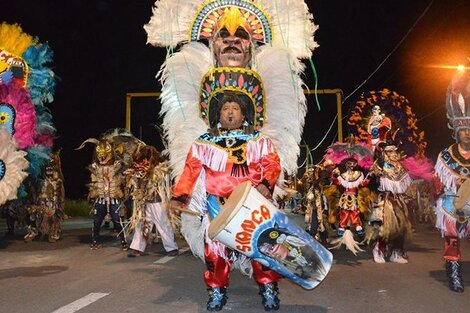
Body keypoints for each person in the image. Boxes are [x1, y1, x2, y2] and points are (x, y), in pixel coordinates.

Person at [170, 92, 283, 311]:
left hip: (252, 204)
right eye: (225, 108)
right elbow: (190, 171)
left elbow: (272, 164)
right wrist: (178, 197)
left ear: (244, 114)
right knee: (215, 253)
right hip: (217, 206)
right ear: (217, 114)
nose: (230, 112)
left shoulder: (258, 140)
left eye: (235, 108)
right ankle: (216, 292)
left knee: (262, 248)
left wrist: (266, 184)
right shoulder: (204, 142)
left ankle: (269, 289)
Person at [434, 69, 470, 292]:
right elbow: (437, 183)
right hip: (452, 205)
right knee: (452, 240)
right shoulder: (445, 155)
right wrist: (451, 186)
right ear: (456, 131)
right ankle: (454, 274)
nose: (467, 134)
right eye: (464, 130)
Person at [125, 145, 178, 257]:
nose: (143, 162)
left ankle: (171, 248)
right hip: (144, 202)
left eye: (145, 159)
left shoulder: (159, 169)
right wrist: (132, 176)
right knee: (142, 224)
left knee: (163, 224)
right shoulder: (139, 169)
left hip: (158, 202)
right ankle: (137, 248)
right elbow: (137, 183)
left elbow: (161, 179)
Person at [369, 139, 413, 264]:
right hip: (385, 201)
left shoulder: (399, 166)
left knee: (400, 227)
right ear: (385, 153)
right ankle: (379, 250)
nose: (394, 153)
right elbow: (373, 184)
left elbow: (405, 184)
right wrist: (378, 175)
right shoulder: (379, 165)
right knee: (385, 228)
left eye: (395, 151)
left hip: (398, 200)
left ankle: (396, 252)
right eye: (390, 151)